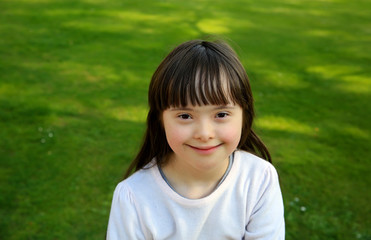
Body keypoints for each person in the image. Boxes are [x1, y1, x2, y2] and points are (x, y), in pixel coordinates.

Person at [106, 39, 285, 239]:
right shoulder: (133, 197)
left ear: (245, 115)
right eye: (185, 116)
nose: (204, 133)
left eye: (221, 114)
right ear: (160, 121)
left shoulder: (259, 180)